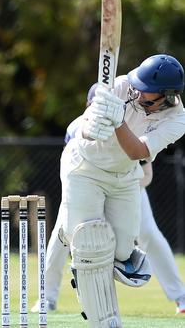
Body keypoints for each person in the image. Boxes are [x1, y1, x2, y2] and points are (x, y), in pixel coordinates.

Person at [31, 83, 185, 314]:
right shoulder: (76, 127)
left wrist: (114, 199)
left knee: (149, 235)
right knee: (62, 234)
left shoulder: (135, 122)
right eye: (93, 106)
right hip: (86, 179)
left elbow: (147, 175)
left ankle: (180, 297)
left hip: (129, 184)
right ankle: (47, 298)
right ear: (88, 106)